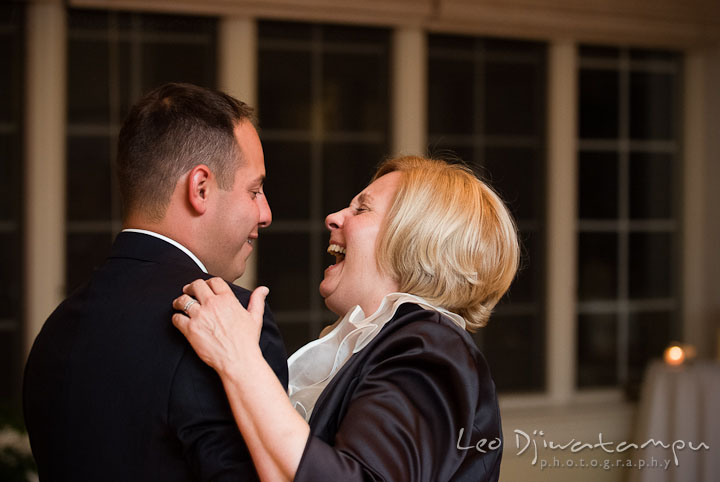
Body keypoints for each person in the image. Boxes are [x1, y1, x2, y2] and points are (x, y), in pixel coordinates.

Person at [172, 155, 520, 482]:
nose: (334, 217)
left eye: (362, 208)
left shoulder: (430, 348)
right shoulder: (383, 343)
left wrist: (240, 359)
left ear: (415, 240)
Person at [23, 82, 287, 481]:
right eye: (254, 190)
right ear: (200, 188)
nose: (265, 214)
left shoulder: (56, 329)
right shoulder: (227, 323)